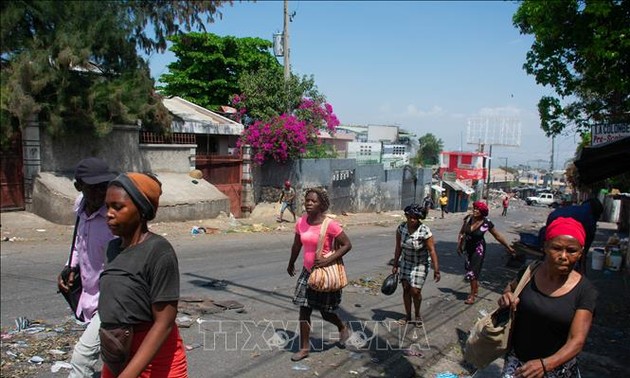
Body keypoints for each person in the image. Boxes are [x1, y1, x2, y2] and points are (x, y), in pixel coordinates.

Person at [99, 172, 187, 377]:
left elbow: (164, 323)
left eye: (117, 207)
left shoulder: (159, 251)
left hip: (156, 360)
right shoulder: (111, 249)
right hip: (116, 353)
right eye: (107, 206)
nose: (109, 213)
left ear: (142, 210)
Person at [498, 217, 597, 377]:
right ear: (545, 247)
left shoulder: (585, 291)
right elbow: (509, 288)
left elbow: (576, 340)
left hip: (556, 369)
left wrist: (546, 364)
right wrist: (507, 297)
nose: (563, 256)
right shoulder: (529, 273)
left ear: (580, 253)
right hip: (517, 365)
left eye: (571, 250)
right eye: (556, 248)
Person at [57, 157, 117, 378]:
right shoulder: (80, 206)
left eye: (105, 186)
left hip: (112, 300)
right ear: (79, 187)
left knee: (81, 359)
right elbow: (79, 243)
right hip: (89, 296)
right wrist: (69, 267)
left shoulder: (115, 215)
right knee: (117, 359)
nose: (101, 193)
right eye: (94, 187)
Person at [287, 187, 352, 362]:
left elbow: (347, 244)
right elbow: (296, 245)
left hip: (324, 273)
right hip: (307, 273)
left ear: (321, 204)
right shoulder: (301, 222)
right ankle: (304, 348)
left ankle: (341, 326)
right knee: (304, 310)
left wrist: (327, 260)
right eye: (307, 200)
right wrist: (291, 262)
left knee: (325, 312)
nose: (309, 203)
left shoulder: (329, 224)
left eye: (313, 201)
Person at [457, 201, 515, 304]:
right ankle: (475, 289)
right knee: (470, 269)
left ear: (482, 212)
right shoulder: (468, 219)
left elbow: (497, 236)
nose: (475, 210)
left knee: (472, 272)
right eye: (474, 208)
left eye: (477, 209)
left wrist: (507, 247)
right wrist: (459, 245)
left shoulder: (486, 223)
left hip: (478, 249)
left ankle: (472, 295)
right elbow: (461, 233)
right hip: (468, 248)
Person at [391, 204, 440, 326]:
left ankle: (417, 315)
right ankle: (408, 315)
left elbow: (432, 250)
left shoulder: (425, 231)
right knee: (406, 289)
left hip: (420, 264)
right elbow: (398, 247)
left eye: (415, 217)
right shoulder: (401, 228)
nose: (412, 220)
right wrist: (395, 264)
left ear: (419, 218)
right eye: (410, 217)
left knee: (415, 291)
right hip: (406, 262)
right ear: (406, 216)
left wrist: (436, 269)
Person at [538, 198, 603, 275]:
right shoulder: (589, 218)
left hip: (550, 232)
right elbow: (587, 243)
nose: (563, 256)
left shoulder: (572, 209)